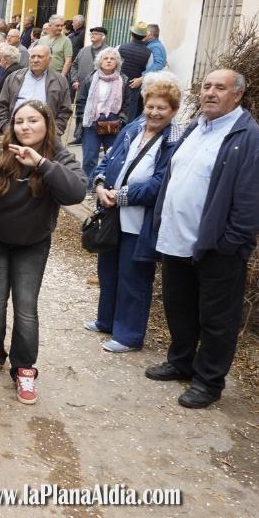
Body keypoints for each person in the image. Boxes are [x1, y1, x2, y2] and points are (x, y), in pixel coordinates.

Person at [146, 69, 259, 408]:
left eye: (220, 87)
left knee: (217, 319)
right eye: (206, 86)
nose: (211, 93)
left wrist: (228, 243)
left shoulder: (247, 138)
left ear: (238, 95)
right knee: (179, 308)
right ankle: (181, 361)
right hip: (177, 240)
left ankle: (208, 381)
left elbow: (254, 201)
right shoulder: (196, 127)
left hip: (217, 248)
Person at [0, 100, 85, 404]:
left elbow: (76, 192)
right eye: (19, 121)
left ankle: (24, 367)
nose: (25, 126)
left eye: (33, 120)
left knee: (26, 308)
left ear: (47, 124)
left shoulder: (58, 157)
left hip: (33, 244)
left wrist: (41, 164)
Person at [87, 76, 181, 352]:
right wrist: (101, 185)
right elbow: (107, 159)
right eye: (150, 106)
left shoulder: (173, 141)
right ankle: (106, 320)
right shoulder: (133, 128)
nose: (154, 112)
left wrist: (121, 196)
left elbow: (161, 183)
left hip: (141, 222)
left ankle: (128, 335)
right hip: (113, 213)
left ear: (173, 111)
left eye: (161, 108)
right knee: (108, 270)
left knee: (134, 277)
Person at [75, 47, 135, 187]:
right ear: (99, 62)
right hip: (91, 122)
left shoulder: (123, 80)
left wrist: (120, 120)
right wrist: (84, 116)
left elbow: (127, 104)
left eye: (112, 58)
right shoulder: (90, 79)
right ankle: (88, 187)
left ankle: (108, 185)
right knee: (90, 157)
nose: (108, 61)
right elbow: (81, 101)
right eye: (105, 58)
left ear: (117, 62)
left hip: (113, 122)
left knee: (113, 157)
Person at [0, 44, 73, 139]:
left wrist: (54, 133)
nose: (35, 60)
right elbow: (1, 105)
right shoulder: (14, 77)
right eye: (32, 56)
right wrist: (7, 129)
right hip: (15, 134)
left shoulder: (59, 81)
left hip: (46, 138)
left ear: (49, 59)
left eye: (40, 57)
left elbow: (65, 110)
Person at [68, 26, 108, 146]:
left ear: (102, 36)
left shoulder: (108, 52)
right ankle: (79, 136)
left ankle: (98, 139)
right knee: (80, 111)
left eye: (96, 34)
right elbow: (74, 65)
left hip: (99, 88)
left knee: (98, 112)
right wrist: (74, 80)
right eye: (92, 34)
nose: (92, 36)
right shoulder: (83, 50)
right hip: (81, 87)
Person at [118, 22, 152, 118]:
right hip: (134, 87)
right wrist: (141, 79)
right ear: (144, 37)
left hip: (118, 84)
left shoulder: (120, 47)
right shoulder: (149, 53)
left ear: (131, 34)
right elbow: (150, 73)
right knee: (129, 116)